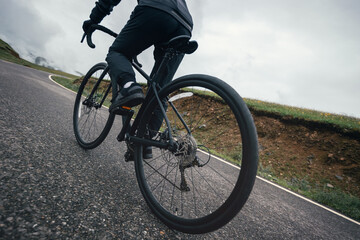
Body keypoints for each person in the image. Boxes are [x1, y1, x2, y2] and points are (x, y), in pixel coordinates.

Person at [82, 0, 193, 159]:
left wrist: (94, 19)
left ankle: (129, 87)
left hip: (156, 8)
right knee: (159, 89)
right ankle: (142, 142)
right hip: (185, 24)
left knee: (117, 52)